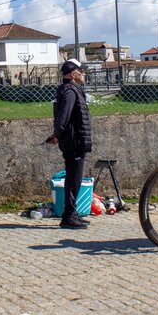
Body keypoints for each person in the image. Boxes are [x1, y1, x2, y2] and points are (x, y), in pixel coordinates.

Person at [46, 58, 93, 229]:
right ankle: (69, 216)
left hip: (74, 139)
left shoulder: (69, 89)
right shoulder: (70, 91)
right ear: (73, 74)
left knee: (74, 178)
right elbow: (63, 116)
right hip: (74, 141)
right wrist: (57, 134)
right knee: (74, 180)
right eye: (81, 71)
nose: (84, 74)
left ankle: (71, 213)